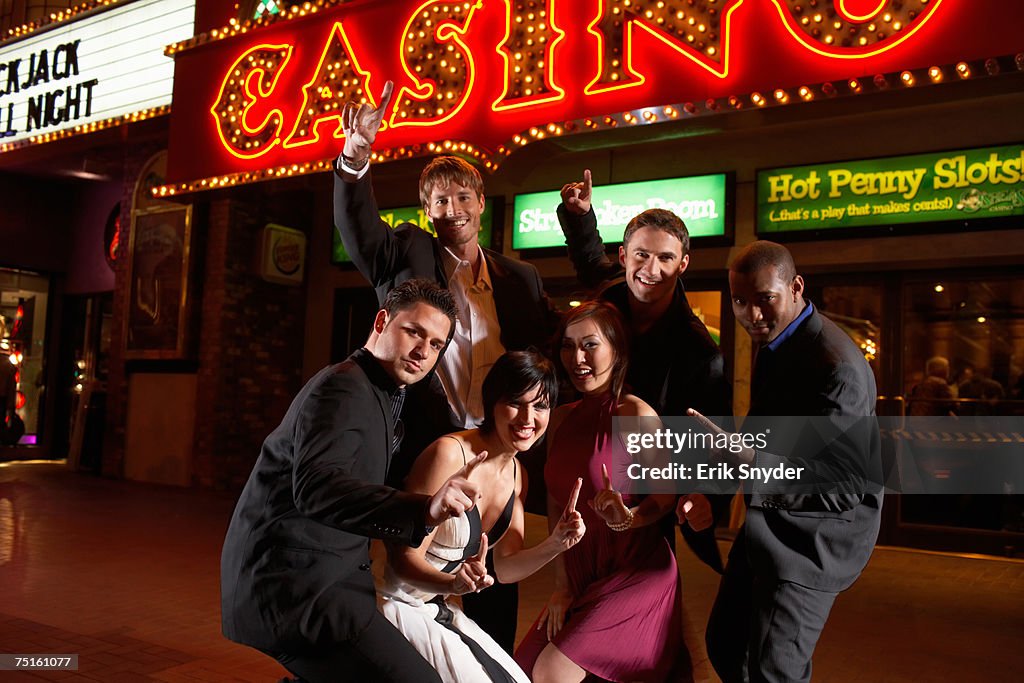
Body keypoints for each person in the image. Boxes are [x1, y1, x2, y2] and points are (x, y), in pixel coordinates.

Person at [335, 80, 557, 651]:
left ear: (482, 203)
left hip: (498, 450)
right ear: (426, 210)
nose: (452, 209)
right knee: (414, 598)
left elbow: (554, 349)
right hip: (428, 449)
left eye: (463, 197)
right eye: (440, 200)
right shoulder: (406, 254)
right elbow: (360, 232)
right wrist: (356, 158)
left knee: (491, 595)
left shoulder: (521, 280)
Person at [221, 280, 485, 683]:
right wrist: (425, 509)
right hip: (299, 588)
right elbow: (317, 488)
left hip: (325, 581)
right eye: (414, 332)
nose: (422, 351)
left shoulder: (381, 390)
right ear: (381, 321)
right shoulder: (344, 387)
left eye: (435, 344)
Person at [684, 241, 882, 683]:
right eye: (739, 301)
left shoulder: (838, 367)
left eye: (764, 300)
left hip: (813, 544)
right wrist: (711, 494)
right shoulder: (779, 340)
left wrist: (752, 462)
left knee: (775, 671)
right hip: (770, 524)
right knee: (725, 643)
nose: (751, 315)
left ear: (795, 287)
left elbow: (843, 486)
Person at [558, 169, 731, 575]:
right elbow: (588, 261)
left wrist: (706, 497)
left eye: (665, 258)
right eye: (641, 255)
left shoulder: (699, 351)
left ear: (683, 264)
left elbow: (712, 433)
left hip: (648, 494)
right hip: (588, 470)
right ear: (624, 256)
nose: (650, 269)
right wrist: (580, 216)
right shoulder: (611, 293)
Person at [380, 350, 586, 683]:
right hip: (394, 605)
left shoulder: (518, 474)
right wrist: (454, 584)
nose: (527, 418)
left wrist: (556, 543)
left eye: (540, 406)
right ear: (492, 402)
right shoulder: (450, 454)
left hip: (438, 607)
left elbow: (505, 568)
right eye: (516, 402)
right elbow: (403, 562)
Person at [515, 301, 683, 683]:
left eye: (589, 344)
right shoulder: (558, 418)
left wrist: (629, 517)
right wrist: (562, 584)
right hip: (581, 572)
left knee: (553, 671)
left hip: (634, 571)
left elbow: (665, 499)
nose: (577, 357)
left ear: (617, 349)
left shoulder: (635, 415)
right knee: (521, 670)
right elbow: (558, 501)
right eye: (567, 346)